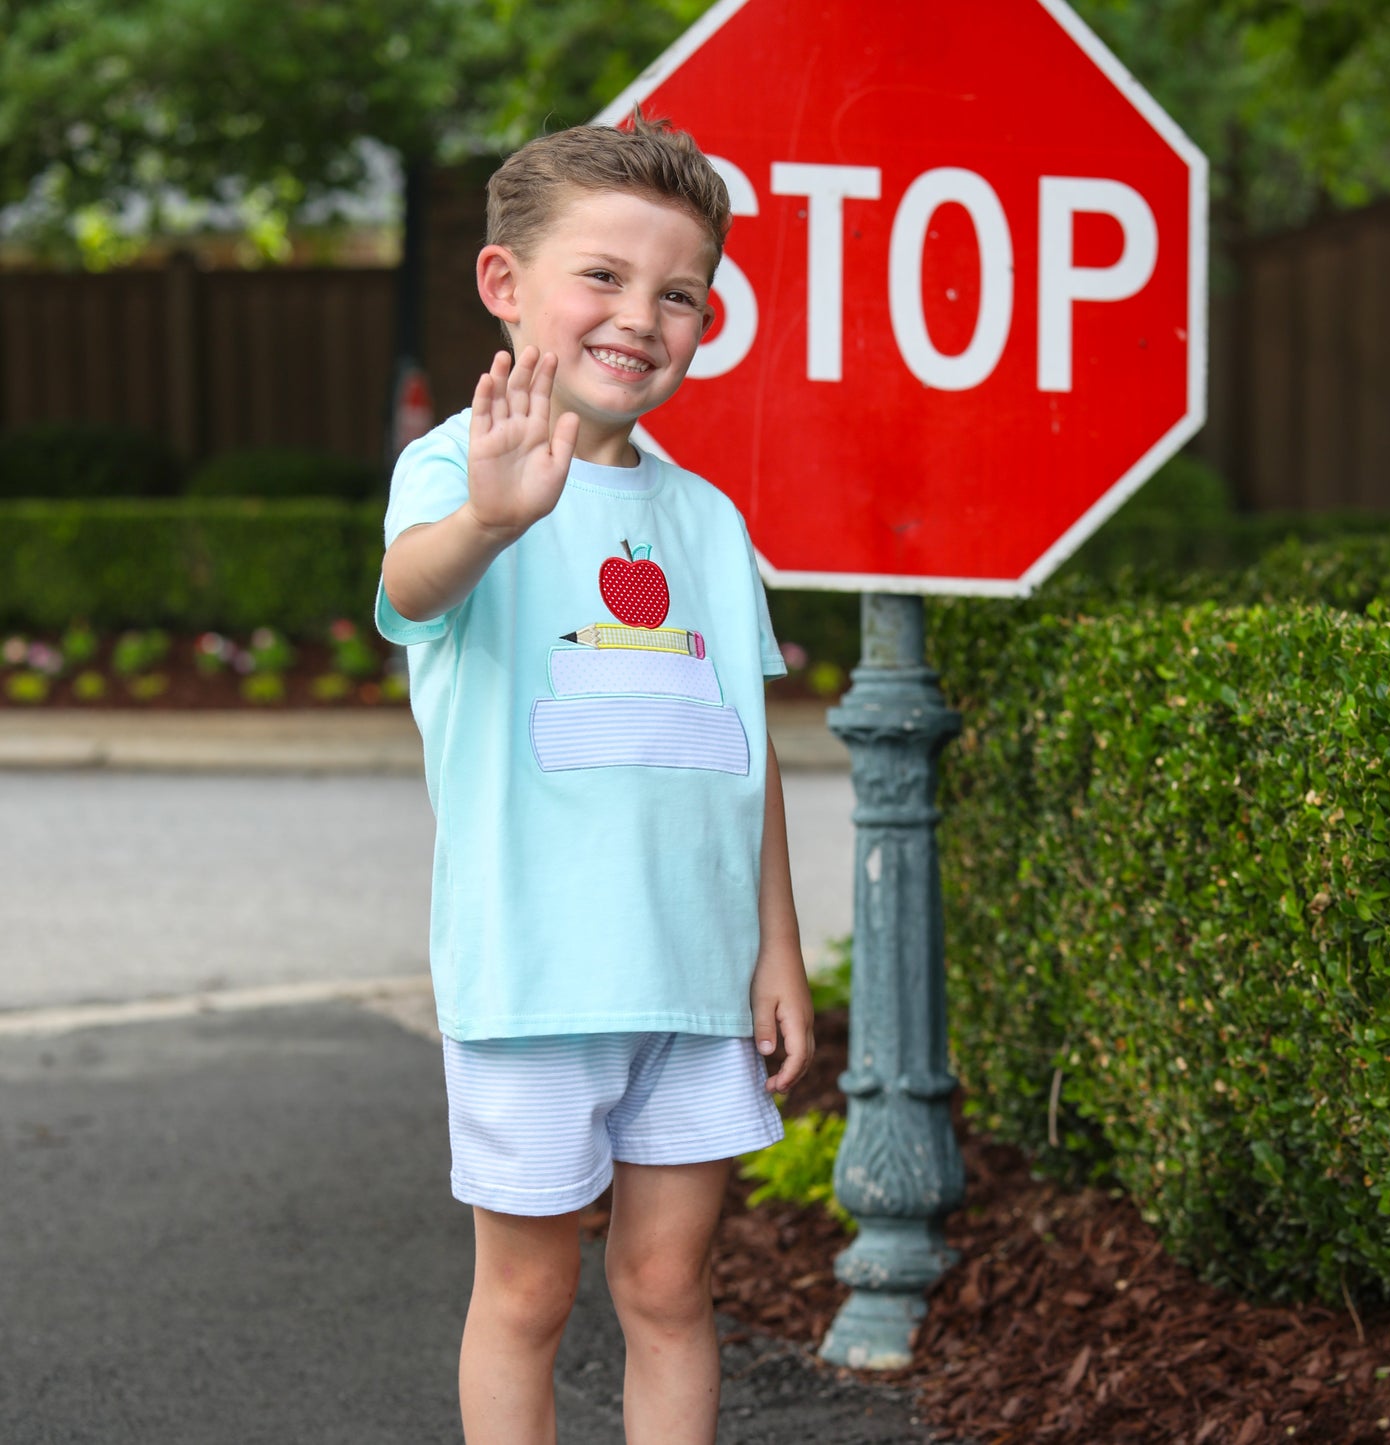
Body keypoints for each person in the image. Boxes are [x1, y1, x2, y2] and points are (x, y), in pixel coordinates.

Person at [375, 112, 815, 1445]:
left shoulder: (706, 515)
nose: (641, 315)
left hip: (690, 978)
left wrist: (777, 948)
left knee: (670, 1284)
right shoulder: (456, 470)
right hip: (535, 977)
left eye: (677, 292)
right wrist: (491, 521)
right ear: (505, 286)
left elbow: (742, 741)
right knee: (525, 1296)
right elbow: (409, 588)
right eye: (603, 277)